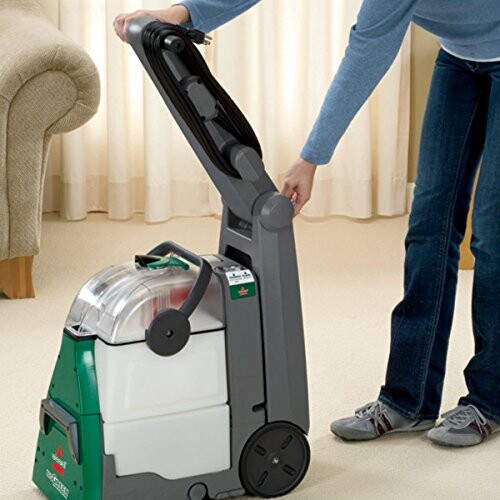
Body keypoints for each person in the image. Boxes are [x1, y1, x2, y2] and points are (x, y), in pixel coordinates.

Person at [114, 1, 500, 447]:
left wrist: (311, 157)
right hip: (458, 56)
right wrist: (188, 10)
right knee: (429, 226)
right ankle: (407, 398)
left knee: (491, 234)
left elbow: (368, 50)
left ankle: (488, 400)